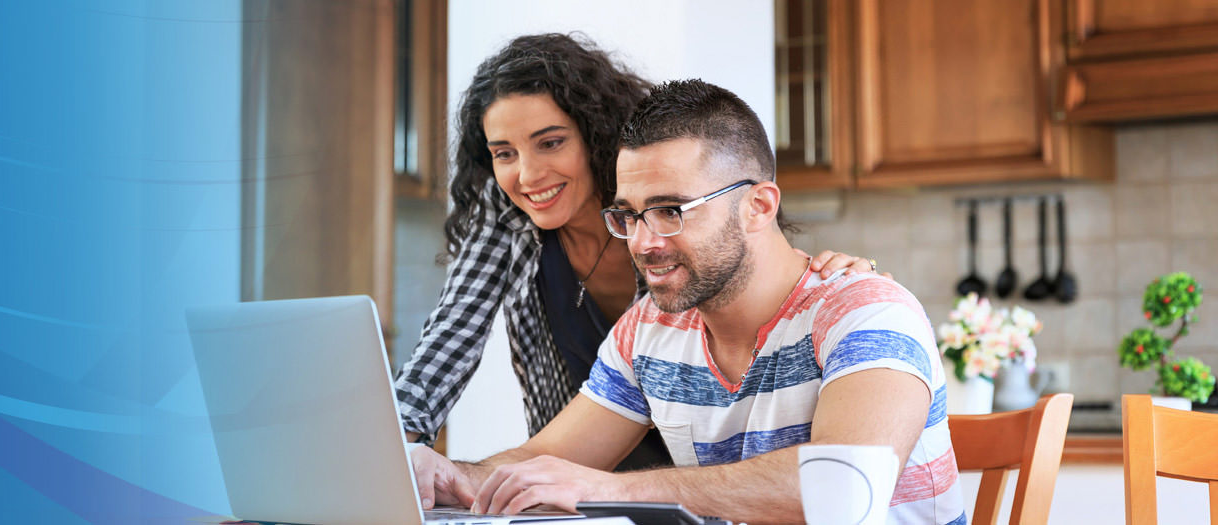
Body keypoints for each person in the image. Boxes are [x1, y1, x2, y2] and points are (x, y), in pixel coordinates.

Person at [406, 79, 964, 524]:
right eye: (629, 214)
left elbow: (846, 484)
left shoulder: (866, 311)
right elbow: (543, 460)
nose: (645, 243)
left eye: (672, 209)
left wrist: (608, 490)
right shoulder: (649, 329)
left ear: (759, 206)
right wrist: (448, 474)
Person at [395, 32, 881, 471]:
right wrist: (398, 454)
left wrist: (841, 290)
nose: (526, 174)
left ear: (594, 134)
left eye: (550, 143)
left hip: (693, 482)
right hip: (579, 479)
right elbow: (447, 344)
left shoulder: (668, 229)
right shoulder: (508, 221)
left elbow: (748, 261)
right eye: (504, 153)